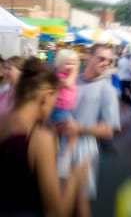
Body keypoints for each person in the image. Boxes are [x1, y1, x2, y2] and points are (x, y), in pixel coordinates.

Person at [0, 56, 88, 217]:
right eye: (54, 100)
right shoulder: (39, 140)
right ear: (46, 96)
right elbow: (56, 212)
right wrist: (75, 178)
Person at [57, 43, 121, 212]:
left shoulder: (108, 90)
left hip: (85, 149)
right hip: (60, 143)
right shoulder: (71, 81)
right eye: (101, 58)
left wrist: (79, 128)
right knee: (59, 196)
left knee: (80, 201)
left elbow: (109, 129)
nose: (106, 63)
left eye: (109, 60)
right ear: (89, 57)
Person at [49, 49, 80, 177]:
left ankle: (62, 156)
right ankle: (63, 159)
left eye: (73, 63)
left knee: (65, 135)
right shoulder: (59, 77)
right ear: (59, 64)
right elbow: (67, 84)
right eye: (67, 63)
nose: (70, 67)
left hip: (66, 110)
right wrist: (75, 71)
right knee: (70, 133)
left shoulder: (68, 77)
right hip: (59, 109)